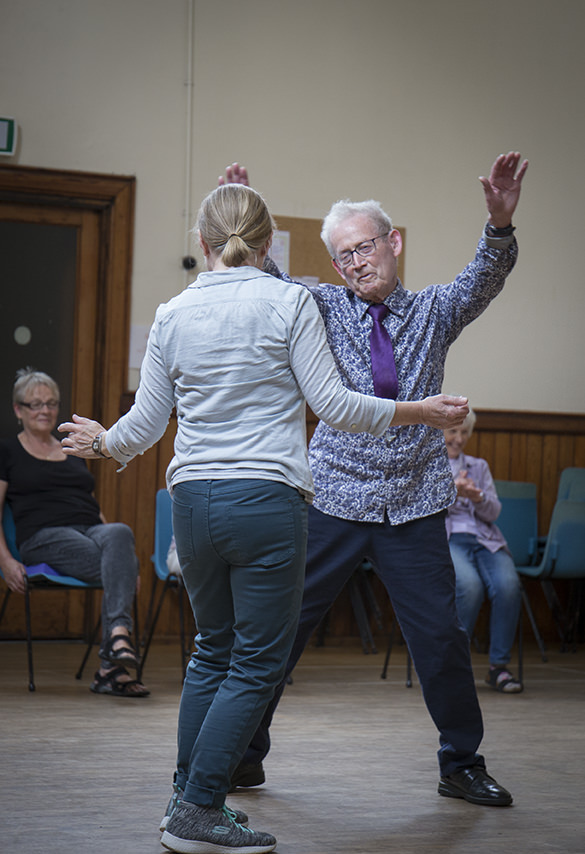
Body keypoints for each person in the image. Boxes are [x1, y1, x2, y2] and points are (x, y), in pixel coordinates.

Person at [58, 183, 467, 854]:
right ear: (269, 243)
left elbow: (142, 426)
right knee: (253, 663)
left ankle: (186, 796)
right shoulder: (288, 302)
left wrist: (100, 442)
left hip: (191, 502)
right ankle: (196, 809)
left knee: (210, 654)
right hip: (265, 503)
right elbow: (336, 406)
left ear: (201, 245)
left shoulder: (171, 312)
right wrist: (420, 411)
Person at [226, 151, 528, 807]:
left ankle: (460, 763)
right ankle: (242, 757)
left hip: (414, 508)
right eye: (343, 255)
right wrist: (244, 221)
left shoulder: (432, 311)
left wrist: (498, 224)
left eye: (365, 247)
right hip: (331, 498)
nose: (356, 262)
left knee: (441, 638)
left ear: (391, 244)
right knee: (280, 629)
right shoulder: (325, 305)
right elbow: (268, 276)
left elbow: (483, 277)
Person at [0, 368, 148, 698]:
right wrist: (6, 562)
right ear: (18, 409)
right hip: (44, 537)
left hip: (89, 531)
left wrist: (119, 552)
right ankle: (113, 661)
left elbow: (91, 506)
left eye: (51, 403)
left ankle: (115, 644)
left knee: (120, 531)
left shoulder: (71, 449)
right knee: (119, 562)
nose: (45, 410)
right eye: (35, 403)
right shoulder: (7, 452)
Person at [444, 407, 523, 693]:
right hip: (449, 540)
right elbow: (426, 509)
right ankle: (454, 669)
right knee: (470, 587)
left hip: (486, 540)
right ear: (440, 431)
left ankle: (498, 668)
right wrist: (454, 490)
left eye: (464, 432)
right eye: (453, 431)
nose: (459, 438)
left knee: (508, 586)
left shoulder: (479, 466)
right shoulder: (430, 465)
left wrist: (477, 498)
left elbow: (493, 512)